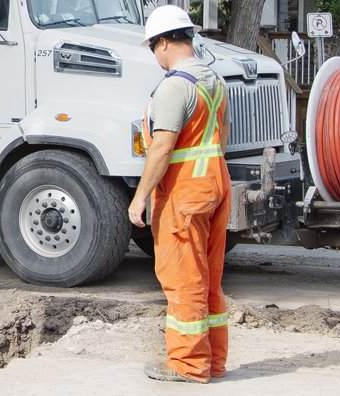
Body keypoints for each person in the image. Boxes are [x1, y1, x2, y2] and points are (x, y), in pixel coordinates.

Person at [126, 5, 231, 384]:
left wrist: (140, 197)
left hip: (185, 190)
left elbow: (162, 148)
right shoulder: (213, 81)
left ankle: (188, 365)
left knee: (183, 277)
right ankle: (213, 360)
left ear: (165, 42)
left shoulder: (175, 85)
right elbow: (221, 136)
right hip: (216, 183)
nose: (154, 55)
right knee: (208, 276)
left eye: (153, 47)